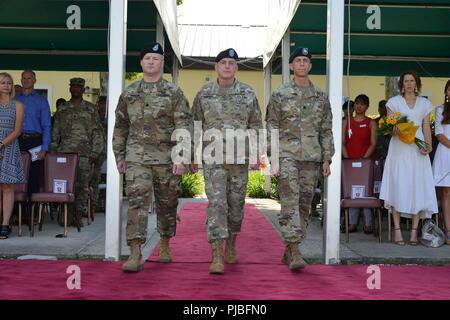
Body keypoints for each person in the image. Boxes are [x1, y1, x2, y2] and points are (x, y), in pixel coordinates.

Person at [113, 42, 192, 273]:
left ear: (161, 63)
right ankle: (135, 252)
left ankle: (165, 243)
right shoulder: (129, 94)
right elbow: (120, 127)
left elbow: (184, 125)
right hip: (137, 157)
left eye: (155, 58)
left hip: (167, 158)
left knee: (168, 204)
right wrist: (119, 154)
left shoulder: (173, 92)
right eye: (147, 58)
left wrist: (181, 157)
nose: (151, 61)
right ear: (141, 62)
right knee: (136, 204)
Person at [192, 48, 261, 274]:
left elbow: (256, 126)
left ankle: (231, 243)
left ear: (236, 68)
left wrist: (256, 155)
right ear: (216, 67)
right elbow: (194, 126)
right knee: (216, 203)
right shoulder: (204, 94)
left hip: (239, 159)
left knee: (236, 205)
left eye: (232, 63)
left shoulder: (248, 93)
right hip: (213, 159)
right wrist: (190, 154)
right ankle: (216, 253)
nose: (227, 66)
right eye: (223, 62)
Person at [266, 47, 334, 270]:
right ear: (291, 66)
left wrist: (326, 158)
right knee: (290, 201)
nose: (302, 64)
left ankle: (289, 248)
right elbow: (272, 126)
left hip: (312, 157)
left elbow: (326, 129)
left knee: (305, 204)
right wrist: (273, 157)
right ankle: (295, 250)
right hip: (287, 156)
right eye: (298, 60)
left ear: (310, 66)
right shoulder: (280, 94)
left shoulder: (321, 97)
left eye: (306, 60)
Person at [380, 70, 438, 246]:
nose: (409, 84)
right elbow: (391, 125)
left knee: (417, 188)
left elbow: (426, 126)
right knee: (397, 186)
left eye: (412, 81)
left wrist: (428, 146)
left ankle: (414, 233)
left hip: (417, 151)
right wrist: (394, 130)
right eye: (406, 81)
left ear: (417, 83)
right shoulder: (394, 102)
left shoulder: (425, 103)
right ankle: (397, 231)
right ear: (401, 84)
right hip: (399, 150)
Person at [51, 78, 105, 228]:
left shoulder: (91, 109)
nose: (75, 89)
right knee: (65, 185)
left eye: (78, 87)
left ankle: (78, 215)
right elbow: (55, 132)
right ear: (70, 89)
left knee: (82, 186)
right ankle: (65, 214)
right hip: (64, 154)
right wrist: (53, 151)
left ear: (83, 90)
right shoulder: (62, 109)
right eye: (73, 86)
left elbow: (97, 133)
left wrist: (95, 153)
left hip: (84, 154)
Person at [342, 94, 377, 234]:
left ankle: (369, 223)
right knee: (351, 192)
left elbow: (373, 144)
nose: (359, 106)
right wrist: (348, 159)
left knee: (366, 192)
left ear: (367, 107)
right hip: (349, 162)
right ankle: (352, 222)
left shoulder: (371, 123)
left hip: (366, 162)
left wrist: (363, 159)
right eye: (357, 103)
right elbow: (342, 142)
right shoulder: (346, 122)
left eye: (362, 104)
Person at [16, 70, 52, 197]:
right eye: (23, 78)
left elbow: (47, 125)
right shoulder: (14, 100)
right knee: (16, 175)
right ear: (21, 80)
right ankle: (16, 212)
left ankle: (32, 213)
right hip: (17, 141)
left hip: (35, 142)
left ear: (34, 81)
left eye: (29, 78)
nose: (26, 80)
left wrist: (45, 147)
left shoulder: (41, 101)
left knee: (33, 176)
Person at [0, 73, 25, 239]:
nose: (6, 85)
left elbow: (17, 131)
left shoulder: (18, 105)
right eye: (2, 82)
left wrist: (1, 145)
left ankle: (5, 224)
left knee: (7, 187)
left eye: (9, 83)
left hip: (8, 148)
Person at [432, 79, 450, 245]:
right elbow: (439, 134)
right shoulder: (440, 110)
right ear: (446, 92)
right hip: (445, 153)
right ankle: (448, 229)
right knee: (446, 191)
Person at [90, 96, 107, 212]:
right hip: (96, 152)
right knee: (95, 178)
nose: (102, 106)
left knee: (106, 179)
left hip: (107, 153)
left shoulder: (111, 117)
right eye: (100, 103)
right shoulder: (94, 118)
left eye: (104, 103)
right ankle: (94, 204)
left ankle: (102, 203)